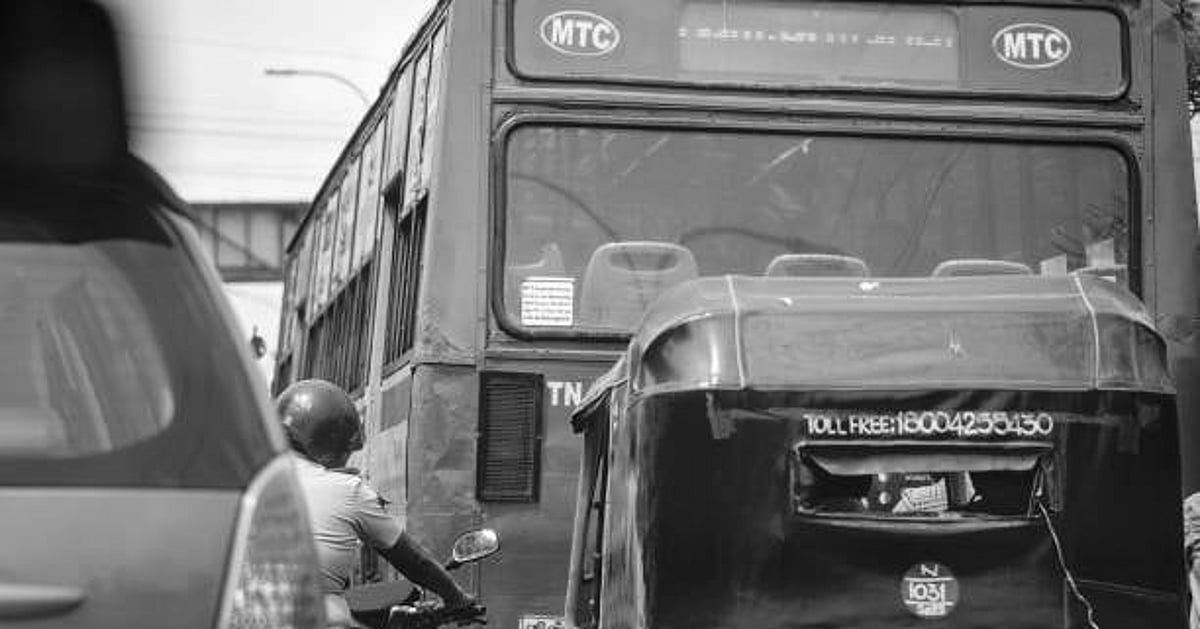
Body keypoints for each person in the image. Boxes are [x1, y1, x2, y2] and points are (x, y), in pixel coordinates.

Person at [276, 378, 476, 627]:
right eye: (346, 452)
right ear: (330, 444)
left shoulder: (248, 481)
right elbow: (415, 562)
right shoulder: (347, 490)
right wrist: (457, 599)